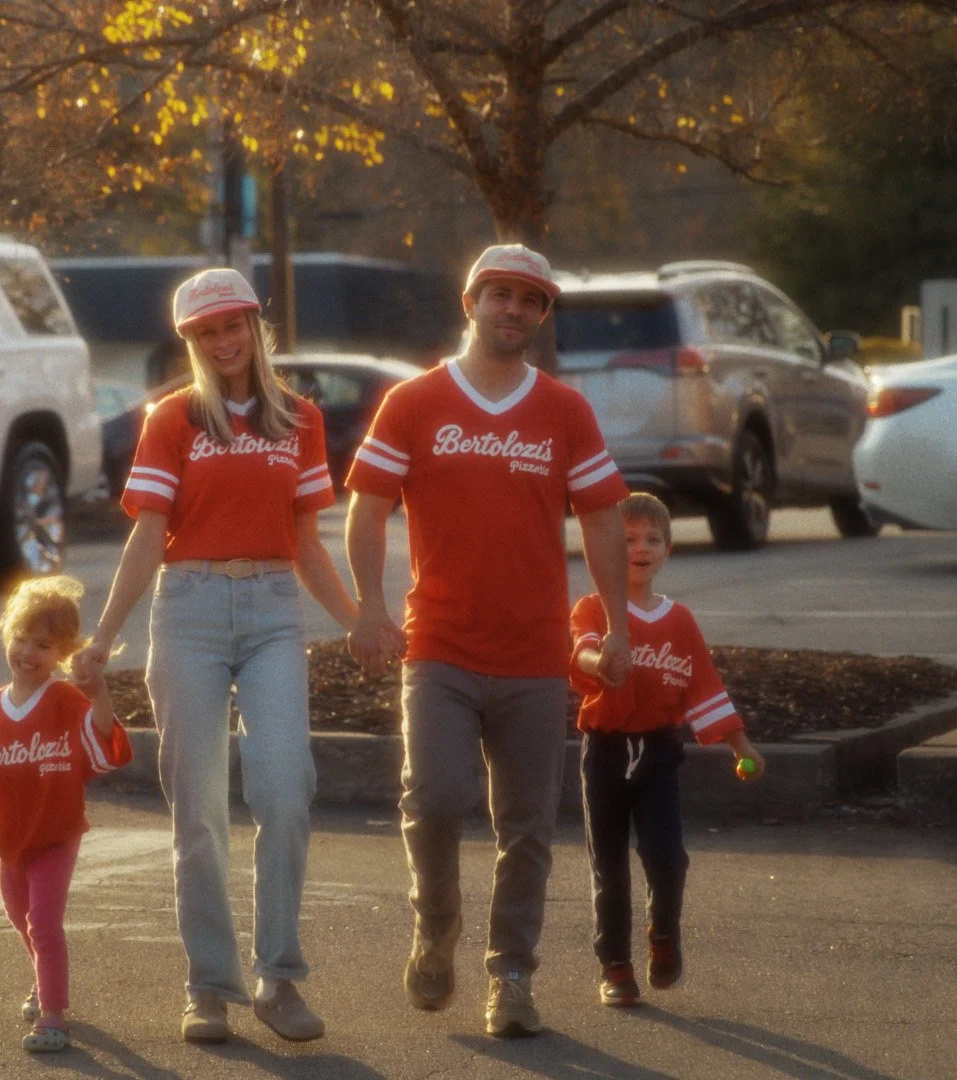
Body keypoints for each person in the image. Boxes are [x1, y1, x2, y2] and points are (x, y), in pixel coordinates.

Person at [344, 243, 634, 1039]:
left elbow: (603, 516)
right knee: (434, 799)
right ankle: (435, 925)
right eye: (501, 294)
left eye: (531, 301)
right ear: (471, 300)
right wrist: (368, 604)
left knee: (528, 826)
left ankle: (510, 973)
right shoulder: (413, 401)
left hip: (536, 653)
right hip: (438, 646)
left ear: (541, 318)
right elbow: (366, 507)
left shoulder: (564, 410)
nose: (514, 309)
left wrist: (618, 623)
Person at [74, 267, 370, 1044]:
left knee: (283, 787)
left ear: (254, 326)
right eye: (206, 332)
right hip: (190, 611)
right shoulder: (172, 419)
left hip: (274, 612)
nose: (223, 340)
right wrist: (102, 637)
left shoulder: (298, 420)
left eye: (232, 324)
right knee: (198, 808)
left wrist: (360, 620)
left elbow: (306, 542)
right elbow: (147, 535)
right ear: (193, 343)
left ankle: (280, 979)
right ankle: (208, 985)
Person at [570, 493, 765, 1008]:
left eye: (652, 539)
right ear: (605, 550)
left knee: (666, 855)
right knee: (607, 864)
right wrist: (598, 662)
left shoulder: (678, 620)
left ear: (668, 552)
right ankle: (614, 965)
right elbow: (580, 651)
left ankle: (664, 933)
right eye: (628, 539)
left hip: (658, 752)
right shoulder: (594, 608)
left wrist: (739, 744)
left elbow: (703, 684)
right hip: (605, 751)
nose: (640, 548)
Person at [0, 575, 132, 1054]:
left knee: (43, 921)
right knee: (20, 918)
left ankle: (53, 1014)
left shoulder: (64, 700)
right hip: (10, 837)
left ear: (61, 654)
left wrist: (98, 690)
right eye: (21, 638)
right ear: (7, 636)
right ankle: (44, 982)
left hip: (56, 834)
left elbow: (101, 733)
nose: (28, 652)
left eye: (43, 645)